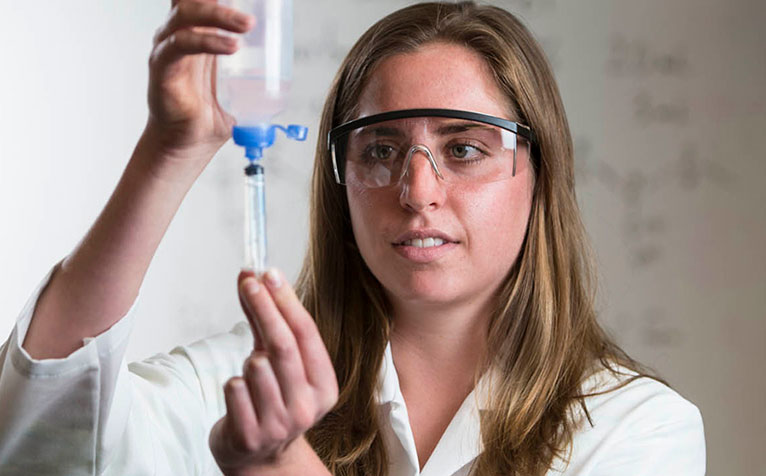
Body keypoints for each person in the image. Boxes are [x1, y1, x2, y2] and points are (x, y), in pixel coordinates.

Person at [0, 1, 705, 475]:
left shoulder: (636, 428)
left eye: (463, 149)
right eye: (379, 149)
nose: (417, 190)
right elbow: (41, 437)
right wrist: (171, 146)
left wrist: (282, 463)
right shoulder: (247, 384)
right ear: (339, 177)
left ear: (538, 172)